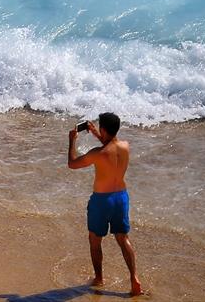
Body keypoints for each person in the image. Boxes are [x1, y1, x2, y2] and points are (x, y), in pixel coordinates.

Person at [68, 112, 141, 297]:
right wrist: (95, 133)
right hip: (121, 198)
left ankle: (99, 278)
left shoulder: (97, 153)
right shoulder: (125, 146)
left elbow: (72, 163)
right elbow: (110, 146)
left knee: (95, 240)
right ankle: (134, 279)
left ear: (104, 129)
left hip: (102, 201)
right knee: (123, 239)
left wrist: (72, 140)